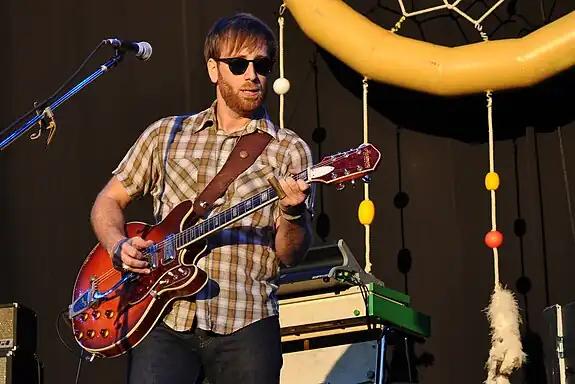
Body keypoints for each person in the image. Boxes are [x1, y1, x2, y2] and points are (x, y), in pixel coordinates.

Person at [89, 12, 314, 384]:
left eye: (262, 65)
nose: (252, 75)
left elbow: (291, 254)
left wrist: (292, 213)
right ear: (214, 70)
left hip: (246, 321)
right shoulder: (167, 134)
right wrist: (117, 244)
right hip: (164, 319)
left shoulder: (289, 151)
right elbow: (107, 201)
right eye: (239, 64)